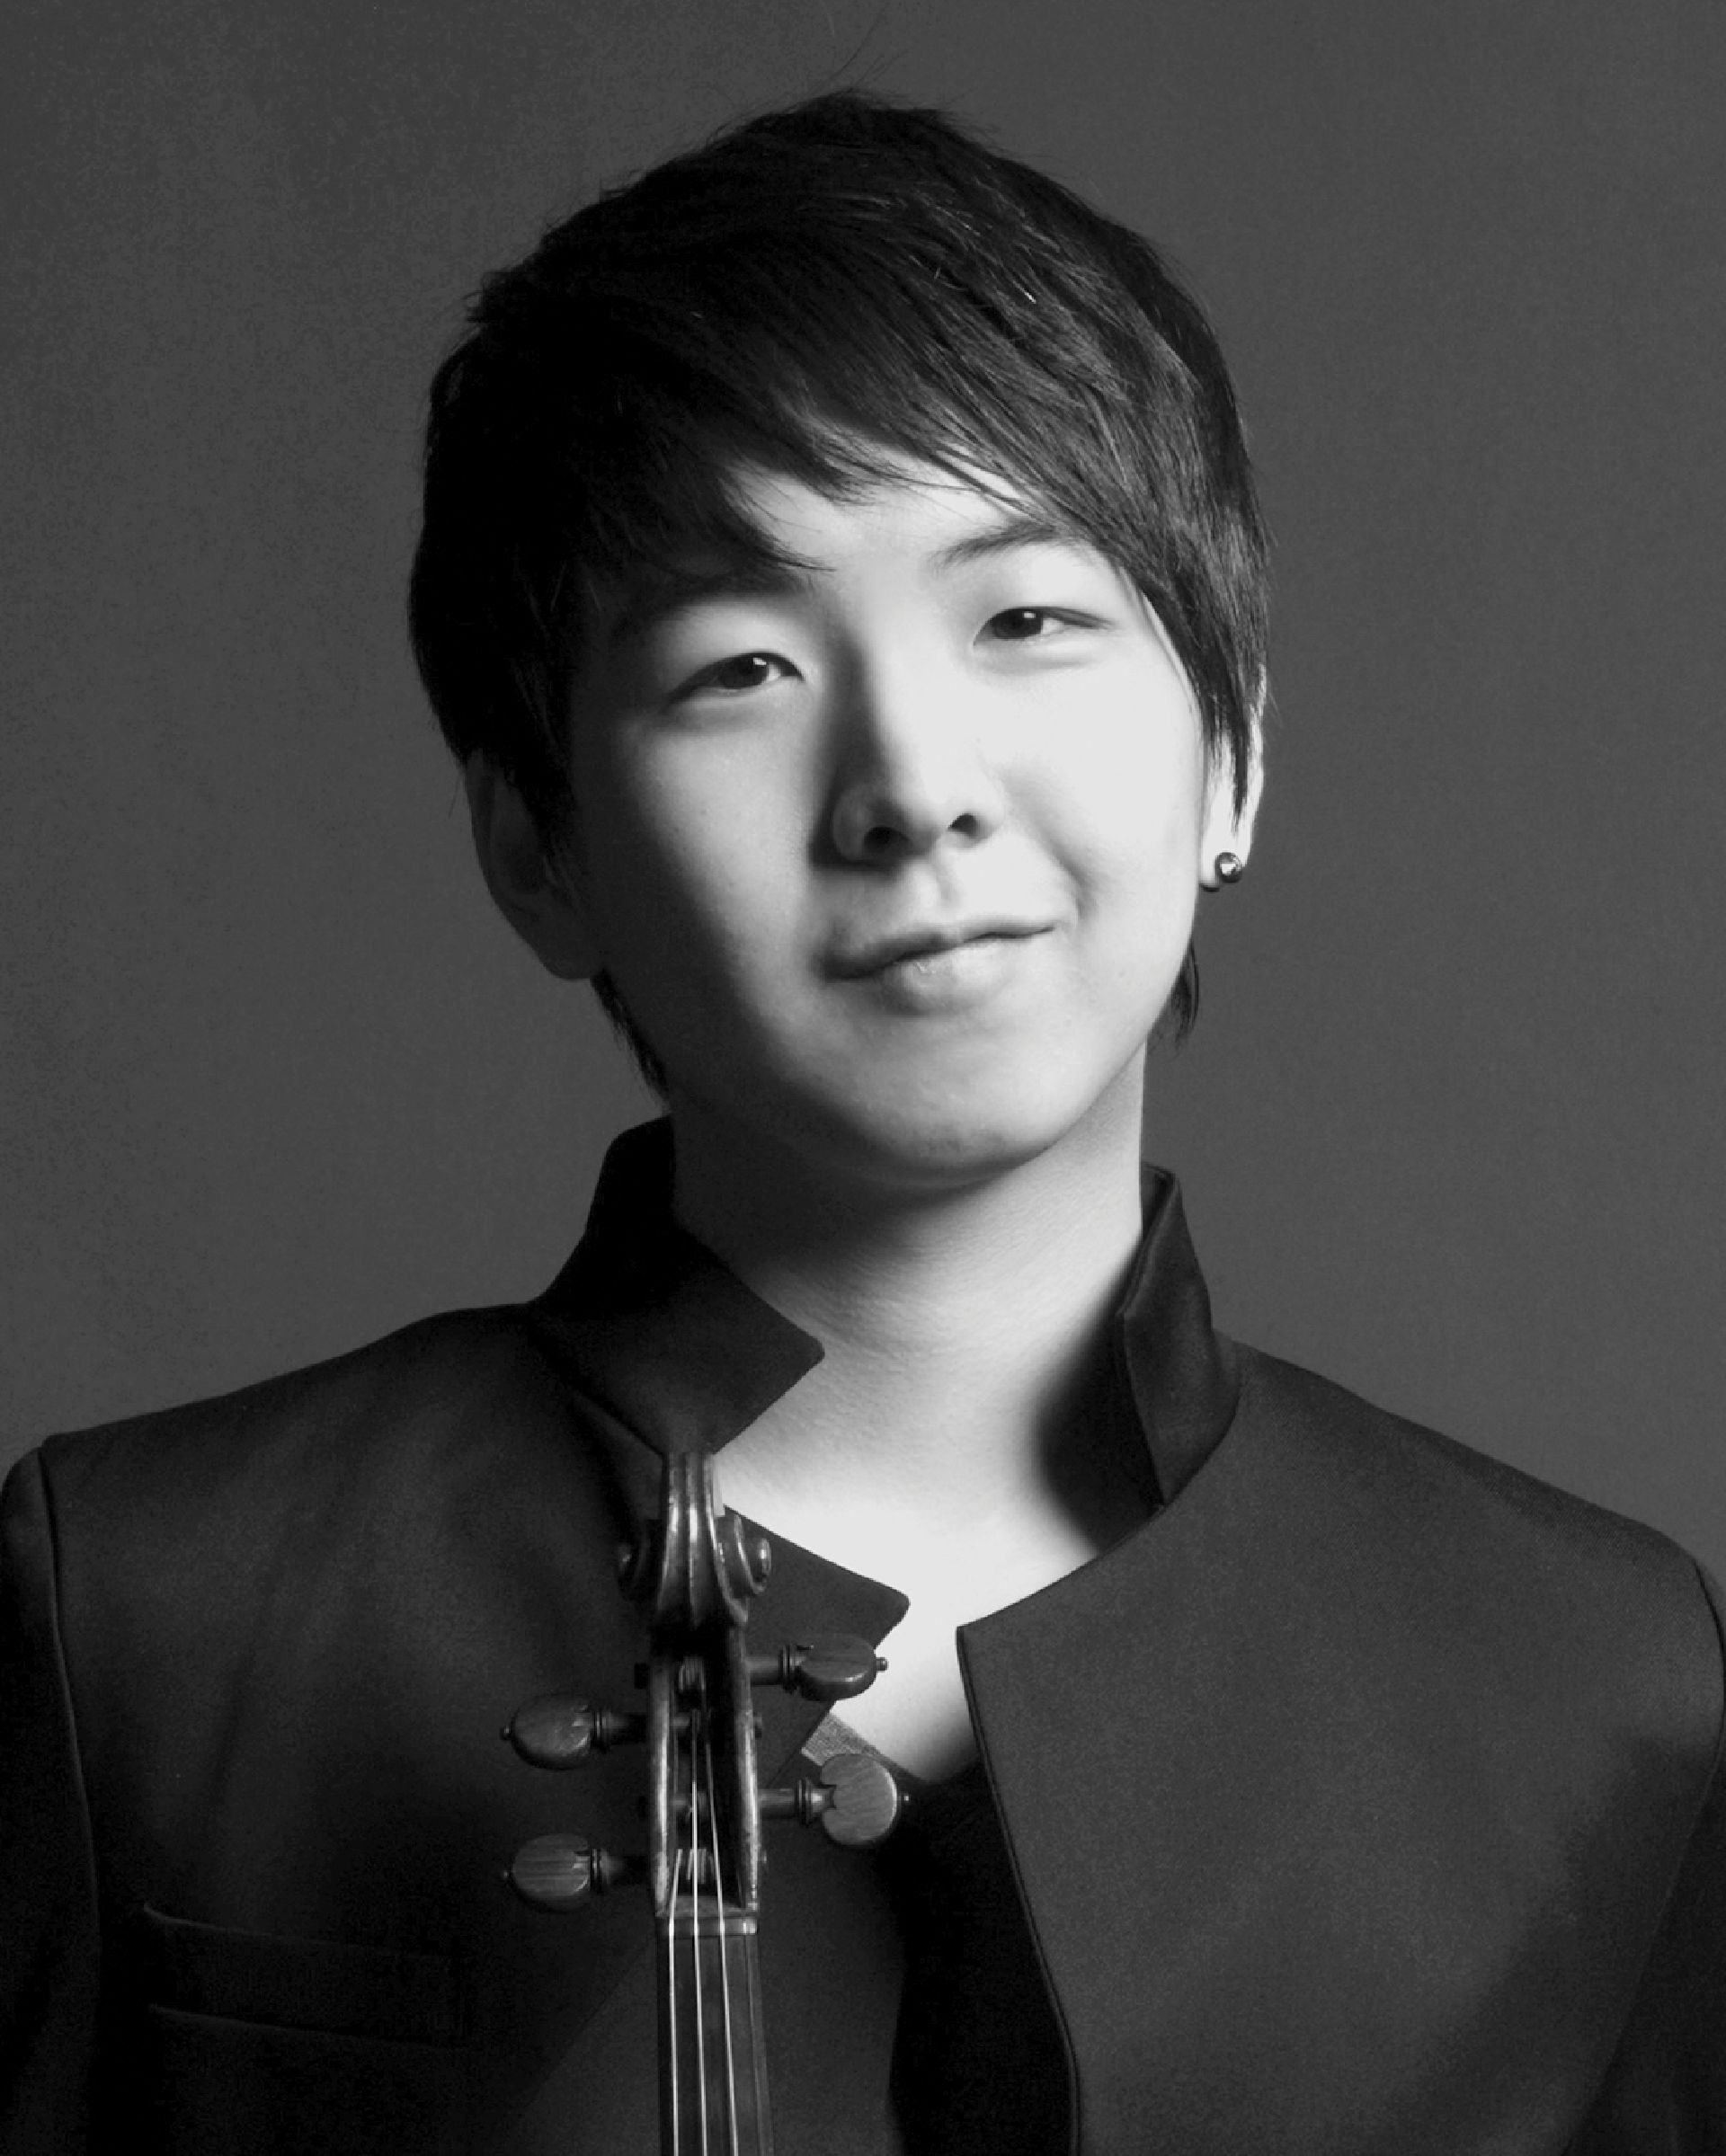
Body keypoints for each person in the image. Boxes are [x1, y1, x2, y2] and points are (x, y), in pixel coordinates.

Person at [2, 88, 1721, 2156]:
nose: (913, 783)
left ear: (1236, 759)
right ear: (535, 845)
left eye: (1027, 618)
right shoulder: (140, 1608)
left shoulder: (1603, 1680)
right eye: (742, 665)